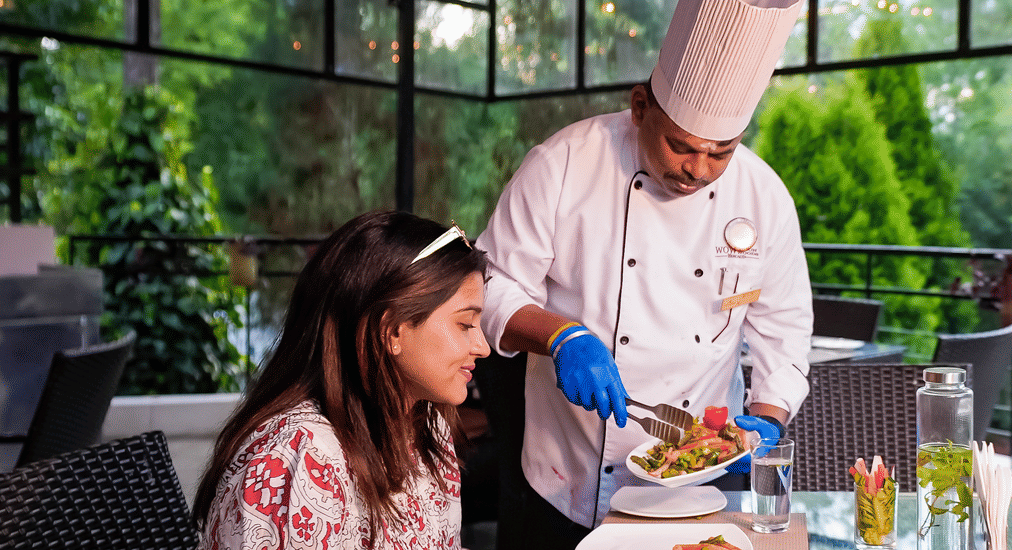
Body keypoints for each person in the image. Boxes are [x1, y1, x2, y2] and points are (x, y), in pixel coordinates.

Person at [474, 0, 812, 544]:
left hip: (698, 484)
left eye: (720, 153)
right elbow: (489, 286)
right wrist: (562, 336)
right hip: (566, 479)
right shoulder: (563, 163)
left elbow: (785, 332)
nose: (697, 170)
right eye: (680, 145)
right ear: (639, 106)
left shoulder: (764, 196)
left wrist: (768, 419)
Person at [192, 210, 490, 549]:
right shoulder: (302, 458)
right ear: (391, 329)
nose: (483, 347)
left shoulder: (426, 424)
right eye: (465, 325)